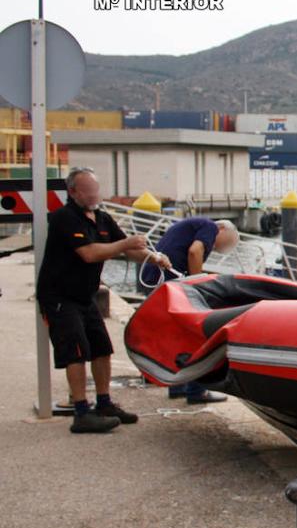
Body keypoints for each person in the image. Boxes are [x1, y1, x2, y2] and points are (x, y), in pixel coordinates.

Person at [37, 167, 172, 434]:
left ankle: (104, 403)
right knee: (76, 352)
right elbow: (89, 253)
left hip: (85, 295)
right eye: (87, 190)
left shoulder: (101, 218)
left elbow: (129, 248)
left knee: (101, 348)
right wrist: (125, 245)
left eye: (95, 189)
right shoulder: (65, 218)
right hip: (59, 296)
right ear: (73, 191)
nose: (93, 194)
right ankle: (81, 412)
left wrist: (153, 258)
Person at [139, 217, 240, 404]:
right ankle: (196, 390)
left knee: (174, 335)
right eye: (220, 245)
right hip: (166, 279)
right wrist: (198, 285)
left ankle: (177, 386)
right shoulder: (210, 227)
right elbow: (195, 252)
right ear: (222, 229)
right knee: (195, 333)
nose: (216, 249)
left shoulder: (188, 226)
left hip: (155, 277)